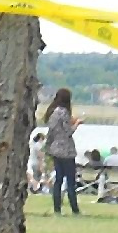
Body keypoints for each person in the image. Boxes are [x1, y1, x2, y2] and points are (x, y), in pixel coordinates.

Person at [43, 87, 84, 215]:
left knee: (58, 180)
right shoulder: (64, 112)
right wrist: (77, 123)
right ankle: (74, 209)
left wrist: (48, 147)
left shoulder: (53, 112)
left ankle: (57, 208)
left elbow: (51, 132)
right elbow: (68, 131)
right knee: (71, 181)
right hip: (66, 151)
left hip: (55, 149)